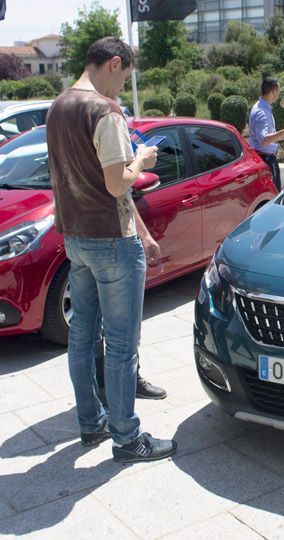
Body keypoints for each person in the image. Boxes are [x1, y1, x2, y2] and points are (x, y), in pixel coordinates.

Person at [46, 37, 177, 463]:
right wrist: (142, 159)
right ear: (114, 63)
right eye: (124, 75)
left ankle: (91, 423)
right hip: (112, 242)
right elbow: (118, 184)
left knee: (81, 337)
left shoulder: (58, 107)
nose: (122, 85)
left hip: (75, 239)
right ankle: (127, 438)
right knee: (121, 345)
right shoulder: (105, 110)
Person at [248, 76, 284, 191]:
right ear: (274, 91)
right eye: (278, 90)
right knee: (273, 195)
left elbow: (267, 137)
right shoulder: (261, 112)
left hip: (263, 158)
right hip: (266, 160)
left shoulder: (262, 108)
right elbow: (264, 140)